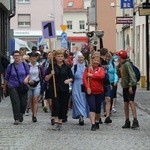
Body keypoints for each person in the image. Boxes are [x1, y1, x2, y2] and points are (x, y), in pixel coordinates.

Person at [45, 49, 73, 130]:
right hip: (54, 88)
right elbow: (46, 78)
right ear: (55, 57)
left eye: (61, 56)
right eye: (58, 56)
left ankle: (60, 121)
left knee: (63, 105)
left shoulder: (67, 66)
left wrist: (68, 80)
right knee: (56, 104)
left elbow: (72, 77)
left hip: (64, 88)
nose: (60, 58)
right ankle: (56, 121)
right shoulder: (52, 66)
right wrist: (51, 74)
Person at [3, 51, 30, 125]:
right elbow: (6, 77)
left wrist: (27, 78)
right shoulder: (10, 66)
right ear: (13, 57)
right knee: (15, 102)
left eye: (18, 55)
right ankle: (16, 118)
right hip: (13, 86)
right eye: (15, 56)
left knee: (24, 102)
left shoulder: (25, 64)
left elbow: (28, 73)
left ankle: (21, 113)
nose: (17, 57)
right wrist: (5, 87)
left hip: (23, 86)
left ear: (20, 56)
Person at [116, 50, 139, 128]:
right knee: (126, 103)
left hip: (130, 86)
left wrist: (131, 86)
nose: (117, 57)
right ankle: (127, 120)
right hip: (125, 86)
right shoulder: (122, 65)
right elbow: (119, 75)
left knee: (131, 102)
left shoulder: (127, 64)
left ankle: (135, 120)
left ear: (121, 57)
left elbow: (132, 76)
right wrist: (118, 67)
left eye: (118, 56)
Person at [83, 52, 105, 131]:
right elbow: (84, 79)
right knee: (92, 107)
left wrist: (92, 75)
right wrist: (87, 87)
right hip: (90, 91)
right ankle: (92, 124)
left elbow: (101, 76)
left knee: (98, 108)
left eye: (97, 60)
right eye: (94, 60)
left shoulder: (101, 69)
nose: (96, 62)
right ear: (91, 60)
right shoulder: (87, 69)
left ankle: (97, 120)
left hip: (99, 91)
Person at [71, 54, 89, 125]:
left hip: (84, 85)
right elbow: (71, 76)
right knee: (76, 99)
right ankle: (79, 113)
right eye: (79, 58)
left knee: (83, 100)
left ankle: (81, 116)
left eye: (82, 58)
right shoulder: (74, 67)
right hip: (76, 85)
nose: (81, 59)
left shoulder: (87, 67)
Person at [28, 52, 44, 122]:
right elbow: (25, 74)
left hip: (37, 84)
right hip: (29, 84)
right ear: (30, 57)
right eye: (33, 56)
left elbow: (43, 74)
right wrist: (28, 80)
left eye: (35, 56)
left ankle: (35, 115)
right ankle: (32, 113)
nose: (34, 57)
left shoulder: (39, 66)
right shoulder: (27, 66)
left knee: (35, 99)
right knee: (31, 100)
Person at [99, 48, 112, 124]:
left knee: (108, 99)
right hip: (100, 82)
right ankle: (99, 117)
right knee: (100, 100)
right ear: (106, 53)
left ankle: (107, 116)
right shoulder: (99, 61)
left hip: (106, 82)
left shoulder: (106, 61)